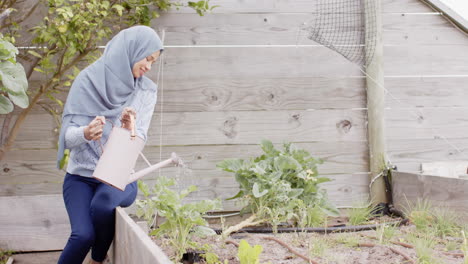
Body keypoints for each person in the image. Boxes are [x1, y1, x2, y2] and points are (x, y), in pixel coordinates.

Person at [56, 25, 163, 264]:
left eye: (153, 62)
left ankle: (97, 260)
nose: (148, 66)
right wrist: (85, 132)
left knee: (102, 203)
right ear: (129, 51)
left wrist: (126, 129)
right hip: (80, 176)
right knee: (82, 235)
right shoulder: (86, 81)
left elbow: (140, 137)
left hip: (120, 177)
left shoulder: (146, 90)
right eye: (147, 58)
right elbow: (67, 138)